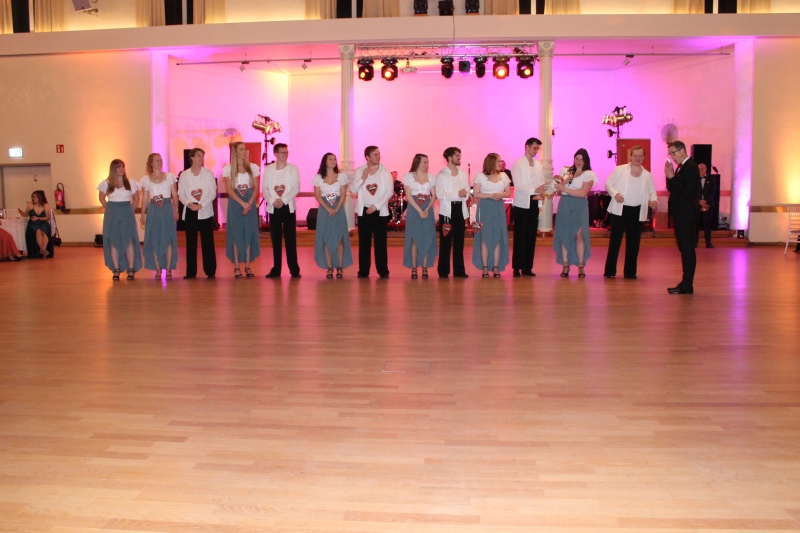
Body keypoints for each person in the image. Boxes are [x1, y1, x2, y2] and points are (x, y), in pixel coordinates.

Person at [602, 145, 658, 280]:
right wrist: (615, 194)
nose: (638, 158)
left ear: (644, 157)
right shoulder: (620, 170)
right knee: (615, 241)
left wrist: (654, 200)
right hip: (620, 209)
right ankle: (610, 271)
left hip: (637, 210)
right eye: (635, 155)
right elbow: (608, 183)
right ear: (630, 156)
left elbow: (652, 191)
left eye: (640, 156)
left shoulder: (647, 175)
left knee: (634, 242)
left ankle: (630, 272)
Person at [349, 145, 393, 279]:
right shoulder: (359, 171)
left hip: (379, 211)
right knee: (364, 243)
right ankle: (363, 271)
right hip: (364, 211)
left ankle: (383, 271)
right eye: (375, 154)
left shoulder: (385, 172)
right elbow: (353, 189)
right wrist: (362, 178)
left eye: (379, 154)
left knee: (381, 243)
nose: (378, 156)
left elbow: (389, 192)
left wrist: (376, 206)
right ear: (367, 157)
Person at [553, 148, 597, 278]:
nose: (578, 162)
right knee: (564, 234)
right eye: (577, 159)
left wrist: (565, 188)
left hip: (579, 205)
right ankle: (565, 265)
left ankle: (581, 266)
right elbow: (556, 186)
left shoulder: (588, 174)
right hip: (565, 204)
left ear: (586, 161)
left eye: (581, 160)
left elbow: (583, 193)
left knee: (579, 235)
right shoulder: (566, 170)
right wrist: (563, 183)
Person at [97, 160, 143, 280]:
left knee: (129, 241)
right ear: (113, 169)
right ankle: (116, 269)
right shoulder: (106, 183)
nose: (122, 169)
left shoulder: (131, 183)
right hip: (112, 213)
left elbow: (136, 198)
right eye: (118, 167)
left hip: (127, 212)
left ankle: (131, 269)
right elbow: (101, 198)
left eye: (123, 166)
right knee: (114, 241)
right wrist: (110, 209)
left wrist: (130, 210)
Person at [665, 140, 700, 294]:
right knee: (684, 249)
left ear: (682, 151)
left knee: (687, 249)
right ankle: (685, 283)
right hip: (680, 215)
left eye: (673, 153)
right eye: (670, 154)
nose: (672, 157)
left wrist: (672, 177)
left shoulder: (691, 167)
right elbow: (672, 188)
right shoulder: (681, 167)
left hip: (687, 215)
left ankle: (687, 285)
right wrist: (669, 175)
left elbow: (686, 191)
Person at [262, 143, 301, 279]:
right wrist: (273, 201)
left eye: (286, 152)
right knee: (276, 240)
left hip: (288, 207)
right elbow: (265, 189)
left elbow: (295, 188)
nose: (285, 155)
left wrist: (283, 200)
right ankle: (276, 269)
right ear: (276, 154)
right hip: (274, 207)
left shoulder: (292, 169)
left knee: (290, 239)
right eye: (283, 152)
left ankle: (294, 269)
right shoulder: (269, 169)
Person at [222, 142, 261, 278]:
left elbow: (255, 187)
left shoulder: (252, 167)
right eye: (241, 149)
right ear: (235, 152)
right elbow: (229, 190)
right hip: (236, 203)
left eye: (245, 149)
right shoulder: (229, 169)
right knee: (236, 232)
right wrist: (242, 203)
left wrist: (249, 203)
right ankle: (237, 266)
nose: (244, 151)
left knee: (249, 232)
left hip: (249, 202)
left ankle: (248, 265)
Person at [178, 147, 217, 280]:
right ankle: (191, 272)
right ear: (192, 158)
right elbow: (181, 194)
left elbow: (212, 193)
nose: (201, 158)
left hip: (205, 210)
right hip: (190, 210)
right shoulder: (184, 175)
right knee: (191, 242)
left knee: (208, 242)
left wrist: (200, 205)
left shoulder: (208, 174)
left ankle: (210, 271)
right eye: (199, 155)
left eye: (202, 156)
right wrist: (190, 203)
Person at [312, 152, 353, 278]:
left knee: (340, 239)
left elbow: (343, 193)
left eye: (334, 159)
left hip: (338, 210)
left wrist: (336, 208)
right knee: (326, 239)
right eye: (330, 159)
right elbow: (317, 195)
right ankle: (329, 267)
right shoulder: (318, 177)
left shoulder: (341, 176)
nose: (333, 161)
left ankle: (340, 267)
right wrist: (328, 208)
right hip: (324, 210)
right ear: (325, 161)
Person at [511, 137, 546, 277]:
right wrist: (534, 190)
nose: (536, 151)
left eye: (537, 148)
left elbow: (541, 181)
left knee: (531, 236)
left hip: (534, 201)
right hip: (521, 203)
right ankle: (516, 267)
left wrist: (541, 192)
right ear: (527, 147)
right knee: (520, 236)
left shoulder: (538, 165)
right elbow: (518, 185)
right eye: (534, 148)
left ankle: (527, 267)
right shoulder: (518, 164)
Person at [139, 153, 178, 279]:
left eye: (160, 160)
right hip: (153, 210)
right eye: (157, 160)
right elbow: (145, 198)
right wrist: (143, 213)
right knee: (154, 238)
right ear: (151, 163)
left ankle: (168, 268)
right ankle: (158, 269)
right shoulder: (146, 179)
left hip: (167, 209)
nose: (159, 162)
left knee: (169, 238)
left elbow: (174, 194)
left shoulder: (169, 176)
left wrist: (176, 209)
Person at [472, 153, 511, 278]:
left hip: (498, 207)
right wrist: (490, 195)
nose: (501, 163)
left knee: (498, 236)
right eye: (498, 161)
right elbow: (476, 193)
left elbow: (508, 193)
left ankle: (495, 266)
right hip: (485, 207)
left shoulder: (503, 176)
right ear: (492, 162)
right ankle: (484, 267)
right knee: (485, 236)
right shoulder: (480, 176)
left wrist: (500, 195)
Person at [436, 147, 471, 279]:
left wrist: (464, 194)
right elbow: (440, 194)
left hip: (460, 209)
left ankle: (459, 271)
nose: (459, 158)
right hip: (447, 211)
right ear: (450, 158)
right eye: (457, 155)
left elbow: (467, 190)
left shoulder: (463, 174)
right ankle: (443, 271)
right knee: (446, 241)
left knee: (459, 241)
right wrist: (457, 194)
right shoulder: (442, 175)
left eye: (459, 155)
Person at [402, 154, 438, 279]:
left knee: (426, 238)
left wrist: (427, 209)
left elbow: (434, 195)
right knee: (414, 238)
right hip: (414, 209)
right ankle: (414, 268)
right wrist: (419, 210)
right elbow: (408, 195)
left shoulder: (431, 176)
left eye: (427, 162)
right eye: (424, 162)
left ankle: (424, 268)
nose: (426, 165)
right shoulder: (408, 177)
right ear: (417, 162)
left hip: (427, 209)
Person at [18, 190, 52, 259]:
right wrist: (21, 212)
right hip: (33, 223)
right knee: (38, 231)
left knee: (45, 230)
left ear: (40, 197)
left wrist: (38, 218)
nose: (33, 199)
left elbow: (48, 218)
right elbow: (26, 214)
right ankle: (43, 250)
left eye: (34, 197)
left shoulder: (46, 205)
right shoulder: (30, 204)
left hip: (42, 221)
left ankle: (43, 248)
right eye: (32, 197)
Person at [696, 162, 715, 249]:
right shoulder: (694, 179)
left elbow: (713, 192)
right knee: (695, 224)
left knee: (707, 225)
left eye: (702, 168)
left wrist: (706, 201)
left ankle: (708, 243)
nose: (701, 170)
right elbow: (693, 192)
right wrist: (699, 201)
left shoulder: (711, 179)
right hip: (697, 205)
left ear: (706, 169)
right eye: (699, 169)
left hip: (708, 205)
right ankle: (694, 243)